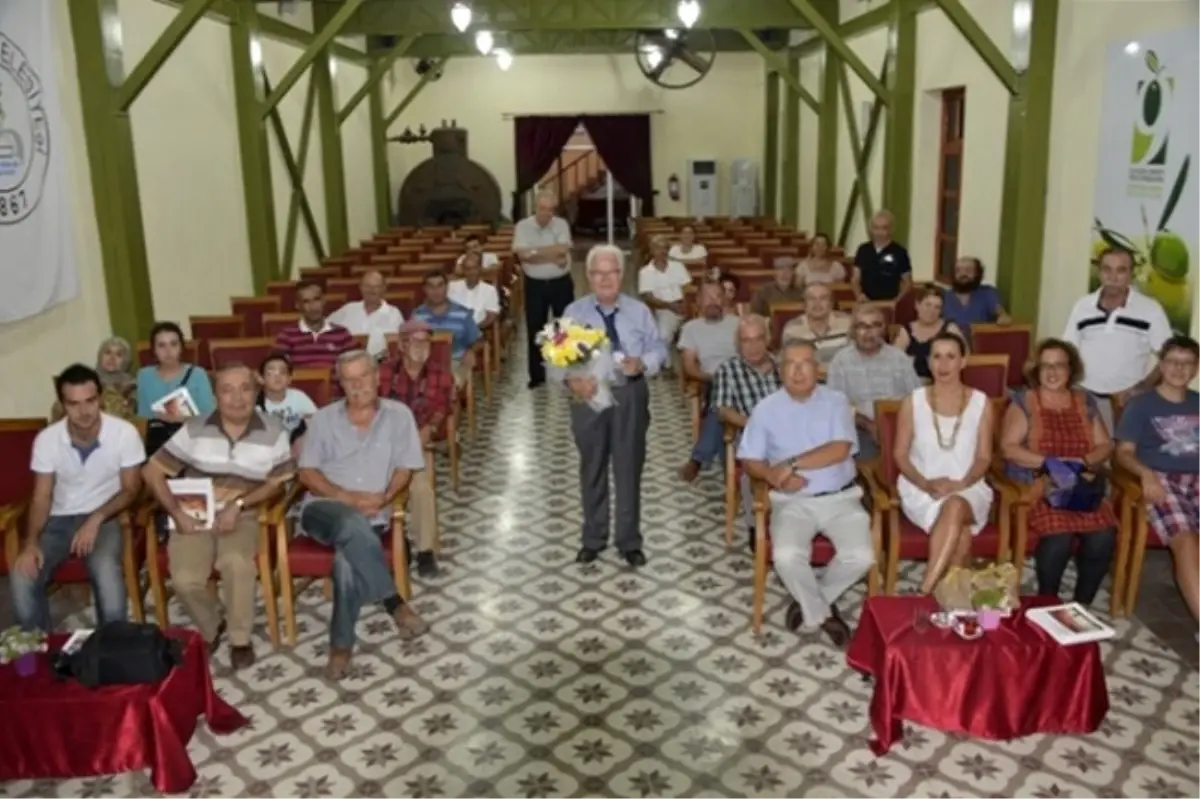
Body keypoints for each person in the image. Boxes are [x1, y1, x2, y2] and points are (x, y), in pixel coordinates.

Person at [143, 363, 293, 669]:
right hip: (194, 514)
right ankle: (211, 627)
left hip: (244, 513)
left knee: (236, 564)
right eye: (227, 390)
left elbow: (279, 483)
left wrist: (238, 505)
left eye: (245, 389)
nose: (237, 398)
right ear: (215, 396)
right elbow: (151, 471)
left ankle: (240, 638)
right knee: (185, 580)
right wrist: (175, 512)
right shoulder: (195, 428)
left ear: (257, 391)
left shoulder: (274, 431)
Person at [297, 350, 430, 680]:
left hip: (375, 512)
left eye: (363, 376)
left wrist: (385, 497)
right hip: (323, 508)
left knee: (346, 560)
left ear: (377, 376)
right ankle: (393, 602)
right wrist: (345, 497)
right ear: (340, 383)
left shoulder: (400, 416)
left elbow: (405, 468)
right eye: (349, 379)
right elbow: (307, 473)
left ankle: (340, 647)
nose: (357, 385)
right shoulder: (324, 418)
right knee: (347, 520)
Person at [738, 341, 872, 646]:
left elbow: (839, 450)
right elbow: (751, 460)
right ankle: (823, 612)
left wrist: (790, 464)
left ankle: (810, 600)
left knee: (862, 557)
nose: (798, 371)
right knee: (786, 556)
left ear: (818, 369)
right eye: (790, 364)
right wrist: (772, 474)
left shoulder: (836, 401)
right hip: (792, 502)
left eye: (805, 363)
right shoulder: (766, 409)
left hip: (841, 498)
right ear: (780, 369)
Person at [11, 365, 144, 632]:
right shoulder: (47, 440)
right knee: (21, 574)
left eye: (90, 401)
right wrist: (30, 542)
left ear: (101, 399)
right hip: (58, 519)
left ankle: (113, 644)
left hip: (105, 516)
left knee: (105, 570)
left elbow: (131, 489)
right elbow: (41, 497)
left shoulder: (124, 433)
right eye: (74, 404)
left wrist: (96, 518)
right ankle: (39, 648)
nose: (84, 411)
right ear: (62, 405)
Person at [558, 245, 667, 566]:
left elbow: (659, 348)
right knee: (591, 467)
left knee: (628, 467)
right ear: (588, 277)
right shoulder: (574, 312)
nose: (605, 278)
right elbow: (554, 359)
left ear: (622, 275)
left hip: (629, 394)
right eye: (598, 272)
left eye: (612, 271)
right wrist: (570, 380)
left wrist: (643, 363)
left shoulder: (639, 311)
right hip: (588, 396)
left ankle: (629, 540)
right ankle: (593, 537)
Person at [1001, 339, 1116, 605]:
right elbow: (1008, 448)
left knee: (1104, 536)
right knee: (1059, 539)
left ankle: (1082, 605)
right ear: (1036, 370)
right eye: (1046, 366)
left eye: (1060, 366)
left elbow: (1105, 444)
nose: (1052, 373)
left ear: (1071, 369)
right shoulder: (1024, 401)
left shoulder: (1084, 400)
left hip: (1082, 487)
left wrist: (1082, 463)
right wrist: (1050, 463)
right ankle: (1048, 603)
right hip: (1041, 489)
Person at [894, 334, 994, 593]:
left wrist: (963, 482)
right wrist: (926, 483)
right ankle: (952, 601)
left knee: (956, 503)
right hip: (922, 489)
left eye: (951, 356)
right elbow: (900, 455)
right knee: (960, 536)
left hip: (969, 487)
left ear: (963, 361)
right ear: (928, 362)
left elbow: (984, 457)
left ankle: (925, 591)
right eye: (937, 356)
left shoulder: (982, 402)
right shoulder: (912, 401)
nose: (943, 364)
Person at [1115, 335, 1200, 637]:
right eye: (1173, 362)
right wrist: (1146, 473)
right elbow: (1123, 452)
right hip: (1162, 479)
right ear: (1162, 365)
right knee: (1186, 541)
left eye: (1187, 363)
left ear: (1195, 369)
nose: (1179, 369)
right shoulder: (1141, 405)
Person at [1064, 246, 1171, 437]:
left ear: (1131, 274)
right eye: (1107, 269)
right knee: (1086, 458)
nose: (1113, 277)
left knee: (1122, 459)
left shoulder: (1150, 310)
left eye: (1121, 270)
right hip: (1084, 397)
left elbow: (1169, 357)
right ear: (1100, 272)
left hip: (1126, 403)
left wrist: (1144, 387)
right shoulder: (1082, 306)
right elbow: (1068, 350)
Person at [711, 314, 782, 548]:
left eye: (758, 339)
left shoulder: (784, 366)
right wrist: (753, 424)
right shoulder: (728, 370)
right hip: (753, 433)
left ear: (768, 339)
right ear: (738, 344)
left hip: (791, 431)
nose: (753, 346)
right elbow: (722, 410)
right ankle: (757, 524)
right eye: (746, 340)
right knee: (753, 466)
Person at [389, 320, 453, 578]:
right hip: (385, 444)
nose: (421, 347)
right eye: (415, 341)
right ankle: (393, 537)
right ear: (402, 345)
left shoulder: (440, 374)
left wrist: (427, 431)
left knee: (422, 487)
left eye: (426, 341)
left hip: (418, 443)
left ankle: (425, 551)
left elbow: (441, 411)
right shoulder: (383, 372)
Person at [827, 305, 923, 460]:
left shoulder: (899, 359)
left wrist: (896, 426)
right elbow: (836, 407)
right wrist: (867, 425)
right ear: (853, 331)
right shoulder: (840, 361)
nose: (868, 332)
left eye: (875, 326)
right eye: (862, 326)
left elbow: (917, 399)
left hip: (899, 425)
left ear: (883, 329)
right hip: (859, 428)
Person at [678, 283, 741, 481]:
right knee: (722, 402)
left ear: (725, 300)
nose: (713, 301)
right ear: (698, 302)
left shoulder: (738, 323)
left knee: (719, 407)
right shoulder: (691, 328)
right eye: (708, 297)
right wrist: (713, 377)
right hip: (712, 380)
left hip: (740, 378)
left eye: (717, 296)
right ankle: (730, 475)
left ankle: (698, 459)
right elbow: (689, 367)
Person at [513, 191, 574, 388]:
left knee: (565, 329)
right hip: (535, 285)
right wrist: (551, 253)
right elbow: (522, 256)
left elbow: (563, 251)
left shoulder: (561, 224)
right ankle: (537, 376)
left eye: (551, 210)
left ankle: (568, 373)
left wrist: (534, 252)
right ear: (535, 208)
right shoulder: (523, 226)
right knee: (535, 329)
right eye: (543, 209)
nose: (547, 214)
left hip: (561, 283)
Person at [137, 321, 216, 454]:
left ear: (181, 347)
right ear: (154, 350)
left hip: (193, 441)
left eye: (173, 344)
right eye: (161, 345)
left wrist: (180, 419)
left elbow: (209, 417)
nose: (168, 351)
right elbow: (143, 417)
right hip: (158, 444)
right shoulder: (144, 375)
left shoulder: (198, 374)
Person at [412, 270, 481, 388]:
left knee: (447, 383)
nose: (436, 291)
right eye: (431, 287)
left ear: (446, 287)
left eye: (440, 286)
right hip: (425, 365)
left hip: (455, 362)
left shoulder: (462, 313)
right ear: (424, 289)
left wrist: (470, 352)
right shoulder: (417, 315)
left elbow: (477, 342)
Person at [274, 280, 357, 368]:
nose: (313, 306)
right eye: (306, 301)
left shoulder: (342, 334)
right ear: (298, 305)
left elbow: (355, 366)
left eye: (316, 299)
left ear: (324, 301)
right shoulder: (287, 335)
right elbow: (277, 368)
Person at [54, 337, 137, 422]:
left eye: (119, 355)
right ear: (100, 356)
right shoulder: (87, 379)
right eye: (108, 352)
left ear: (126, 360)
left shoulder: (132, 386)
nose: (112, 358)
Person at [328, 270, 404, 360]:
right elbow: (324, 328)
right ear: (360, 288)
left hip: (380, 365)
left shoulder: (394, 314)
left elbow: (400, 346)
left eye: (376, 286)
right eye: (367, 286)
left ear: (384, 288)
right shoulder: (348, 309)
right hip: (347, 364)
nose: (371, 290)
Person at [892, 286, 964, 380]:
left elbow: (964, 356)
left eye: (937, 307)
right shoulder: (906, 329)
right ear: (917, 305)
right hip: (910, 383)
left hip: (941, 382)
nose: (931, 311)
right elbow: (894, 359)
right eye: (928, 305)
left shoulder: (949, 328)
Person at [256, 352, 318, 454]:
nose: (277, 376)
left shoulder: (299, 397)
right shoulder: (255, 404)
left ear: (290, 378)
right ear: (261, 378)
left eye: (283, 372)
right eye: (271, 372)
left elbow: (317, 422)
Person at [638, 235, 691, 346]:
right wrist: (670, 306)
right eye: (659, 248)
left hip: (685, 306)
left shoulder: (678, 266)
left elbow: (687, 288)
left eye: (665, 248)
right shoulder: (645, 272)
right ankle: (665, 363)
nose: (663, 251)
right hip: (664, 309)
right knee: (663, 337)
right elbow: (649, 298)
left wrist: (686, 305)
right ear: (652, 250)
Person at [781, 283, 853, 365]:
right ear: (804, 305)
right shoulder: (792, 329)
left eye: (823, 298)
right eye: (812, 299)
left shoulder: (847, 323)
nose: (817, 304)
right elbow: (788, 363)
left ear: (831, 304)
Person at [941, 257, 1011, 339]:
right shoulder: (944, 296)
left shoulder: (988, 293)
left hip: (981, 344)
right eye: (958, 271)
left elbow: (1001, 313)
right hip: (950, 346)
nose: (963, 274)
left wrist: (1003, 318)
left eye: (968, 270)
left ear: (977, 273)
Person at [853, 210, 912, 302]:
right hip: (865, 301)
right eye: (876, 228)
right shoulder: (863, 250)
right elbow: (855, 278)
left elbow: (907, 282)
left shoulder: (900, 252)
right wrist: (859, 295)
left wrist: (896, 301)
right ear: (871, 229)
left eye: (884, 228)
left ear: (891, 229)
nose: (879, 232)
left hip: (889, 302)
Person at [448, 252, 501, 332]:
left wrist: (473, 329)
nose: (471, 272)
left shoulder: (489, 290)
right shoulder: (452, 286)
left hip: (477, 330)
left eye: (474, 268)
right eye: (468, 269)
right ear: (463, 270)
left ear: (479, 268)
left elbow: (491, 316)